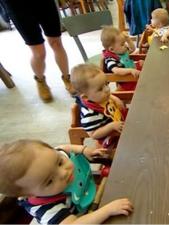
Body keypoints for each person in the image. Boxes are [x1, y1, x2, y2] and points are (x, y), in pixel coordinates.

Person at [0, 139, 134, 224]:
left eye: (60, 162)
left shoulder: (51, 160)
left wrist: (83, 150)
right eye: (49, 181)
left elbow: (62, 148)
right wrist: (108, 210)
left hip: (92, 199)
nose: (64, 173)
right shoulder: (46, 208)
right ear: (29, 195)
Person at [2, 0, 73, 102]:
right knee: (39, 52)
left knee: (56, 43)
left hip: (45, 3)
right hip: (17, 6)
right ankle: (40, 81)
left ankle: (67, 78)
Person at [70, 64, 127, 149]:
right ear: (85, 97)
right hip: (111, 140)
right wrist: (111, 126)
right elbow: (93, 134)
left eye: (106, 84)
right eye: (100, 89)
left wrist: (114, 98)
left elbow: (109, 97)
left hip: (119, 123)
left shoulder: (99, 97)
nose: (107, 89)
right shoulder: (90, 115)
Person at [101, 26, 141, 91]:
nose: (125, 45)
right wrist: (130, 70)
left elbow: (133, 49)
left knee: (142, 62)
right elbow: (116, 70)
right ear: (112, 49)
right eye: (122, 44)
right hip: (126, 80)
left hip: (133, 71)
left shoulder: (121, 50)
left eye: (124, 42)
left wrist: (128, 39)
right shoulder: (110, 58)